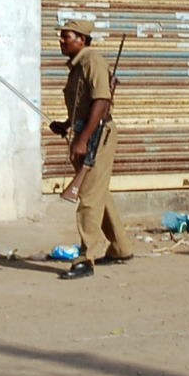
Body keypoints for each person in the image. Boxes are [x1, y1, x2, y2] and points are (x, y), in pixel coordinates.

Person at [50, 20, 133, 280]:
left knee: (88, 197)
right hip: (86, 132)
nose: (62, 41)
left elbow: (101, 101)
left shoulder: (92, 60)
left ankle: (87, 258)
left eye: (67, 37)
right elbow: (84, 104)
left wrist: (83, 139)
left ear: (82, 40)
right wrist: (66, 124)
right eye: (62, 37)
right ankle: (120, 249)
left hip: (98, 136)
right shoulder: (77, 66)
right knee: (98, 193)